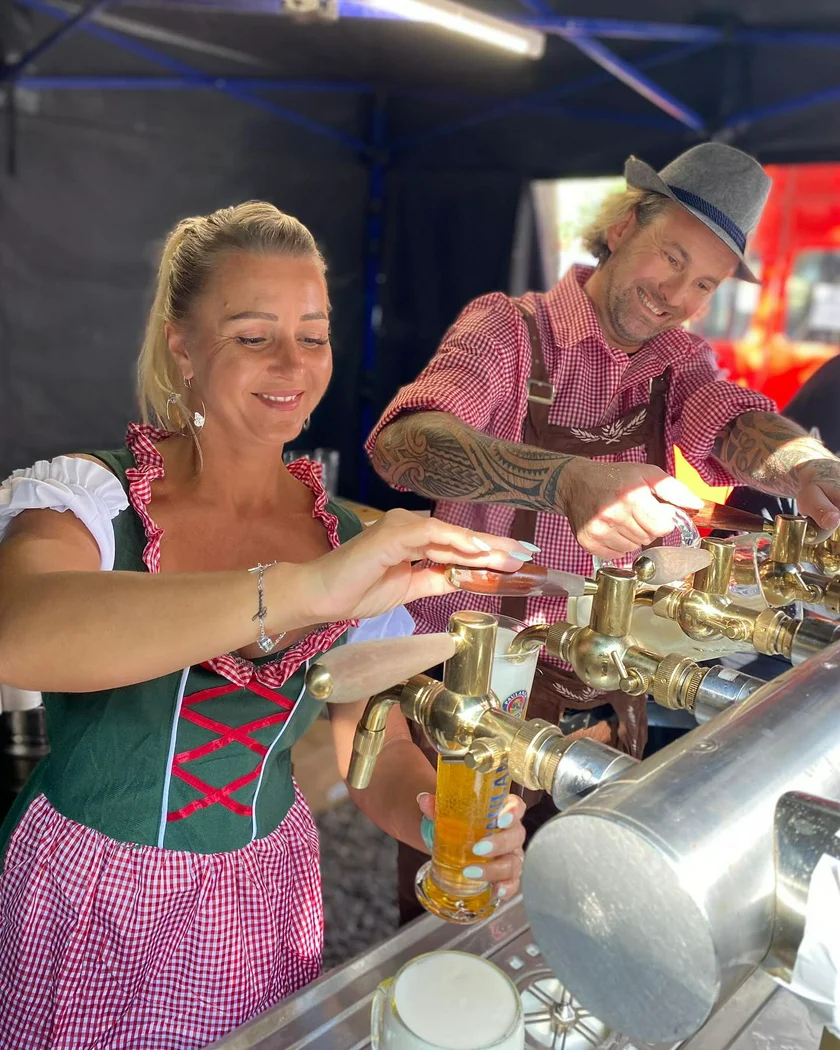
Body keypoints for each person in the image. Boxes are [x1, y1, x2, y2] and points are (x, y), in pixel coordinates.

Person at [0, 202, 532, 1050]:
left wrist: (434, 824)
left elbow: (374, 747)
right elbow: (21, 634)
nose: (293, 364)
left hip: (259, 894)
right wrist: (303, 590)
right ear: (182, 346)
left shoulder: (349, 538)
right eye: (253, 335)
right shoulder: (92, 499)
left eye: (314, 336)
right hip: (88, 892)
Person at [367, 142, 840, 921]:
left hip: (607, 701)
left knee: (585, 919)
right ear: (623, 226)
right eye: (672, 258)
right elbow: (404, 446)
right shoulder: (507, 331)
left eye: (705, 283)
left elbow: (732, 422)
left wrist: (808, 465)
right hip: (481, 696)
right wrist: (563, 480)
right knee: (458, 920)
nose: (677, 296)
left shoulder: (677, 363)